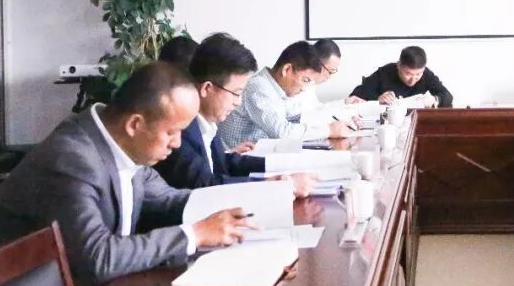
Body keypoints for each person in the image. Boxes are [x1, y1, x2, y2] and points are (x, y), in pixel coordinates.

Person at [0, 63, 254, 286]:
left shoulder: (119, 143)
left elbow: (171, 199)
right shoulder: (73, 160)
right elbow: (97, 257)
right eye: (172, 132)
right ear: (135, 124)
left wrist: (250, 204)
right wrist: (194, 234)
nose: (178, 143)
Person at [154, 33, 313, 195]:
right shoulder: (181, 129)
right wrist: (274, 185)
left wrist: (283, 166)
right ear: (207, 89)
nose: (238, 102)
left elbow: (223, 163)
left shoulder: (206, 121)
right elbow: (205, 185)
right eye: (236, 93)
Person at [219, 41, 357, 146]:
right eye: (305, 80)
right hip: (239, 162)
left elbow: (294, 119)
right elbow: (282, 132)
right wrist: (328, 131)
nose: (304, 88)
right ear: (287, 69)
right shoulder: (258, 87)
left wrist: (338, 121)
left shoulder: (275, 88)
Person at [350, 46, 453, 107]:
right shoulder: (385, 72)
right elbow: (356, 94)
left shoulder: (426, 74)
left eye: (418, 74)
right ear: (399, 65)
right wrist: (378, 99)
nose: (413, 79)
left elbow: (447, 96)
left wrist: (434, 99)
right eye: (408, 74)